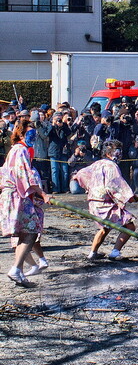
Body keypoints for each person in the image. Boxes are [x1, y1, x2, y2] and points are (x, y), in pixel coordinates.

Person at [0, 120, 51, 287]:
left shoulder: (17, 151)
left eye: (34, 135)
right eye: (30, 134)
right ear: (21, 134)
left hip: (15, 195)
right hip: (17, 196)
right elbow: (26, 177)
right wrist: (43, 194)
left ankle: (19, 272)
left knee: (24, 234)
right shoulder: (20, 149)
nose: (33, 137)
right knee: (31, 232)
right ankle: (16, 269)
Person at [73, 140, 138, 260]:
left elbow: (81, 173)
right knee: (130, 226)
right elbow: (115, 184)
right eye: (116, 152)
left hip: (94, 201)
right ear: (108, 153)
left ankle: (93, 253)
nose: (119, 154)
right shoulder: (111, 166)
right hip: (104, 203)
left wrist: (88, 185)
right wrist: (129, 197)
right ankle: (115, 252)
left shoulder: (97, 163)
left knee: (105, 227)